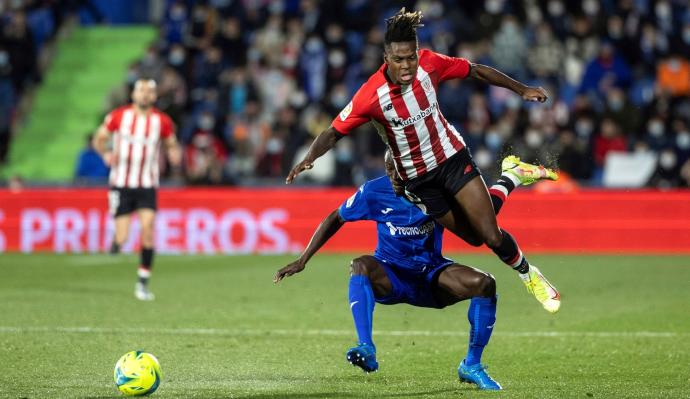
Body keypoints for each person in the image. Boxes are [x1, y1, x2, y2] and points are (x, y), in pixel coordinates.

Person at [286, 8, 560, 313]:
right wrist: (308, 157)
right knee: (473, 237)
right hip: (418, 181)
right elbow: (333, 131)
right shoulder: (369, 96)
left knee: (491, 235)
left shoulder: (430, 63)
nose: (407, 66)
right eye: (399, 59)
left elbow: (476, 70)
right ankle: (511, 176)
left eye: (411, 57)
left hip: (452, 158)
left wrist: (521, 89)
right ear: (386, 57)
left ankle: (529, 275)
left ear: (418, 52)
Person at [275, 151, 557, 390]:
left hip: (432, 275)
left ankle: (471, 366)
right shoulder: (375, 191)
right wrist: (303, 259)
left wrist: (508, 181)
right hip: (392, 275)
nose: (394, 176)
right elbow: (336, 217)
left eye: (399, 169)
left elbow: (482, 220)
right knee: (360, 265)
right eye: (389, 169)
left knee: (484, 283)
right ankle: (366, 348)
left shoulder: (435, 191)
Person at [93, 79, 181, 301]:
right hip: (121, 184)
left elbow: (171, 143)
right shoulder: (119, 116)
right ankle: (117, 241)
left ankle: (142, 283)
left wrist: (174, 153)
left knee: (148, 229)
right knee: (123, 238)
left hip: (147, 184)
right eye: (141, 90)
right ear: (133, 94)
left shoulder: (161, 121)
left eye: (149, 91)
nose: (145, 95)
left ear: (154, 96)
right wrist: (104, 153)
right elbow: (99, 139)